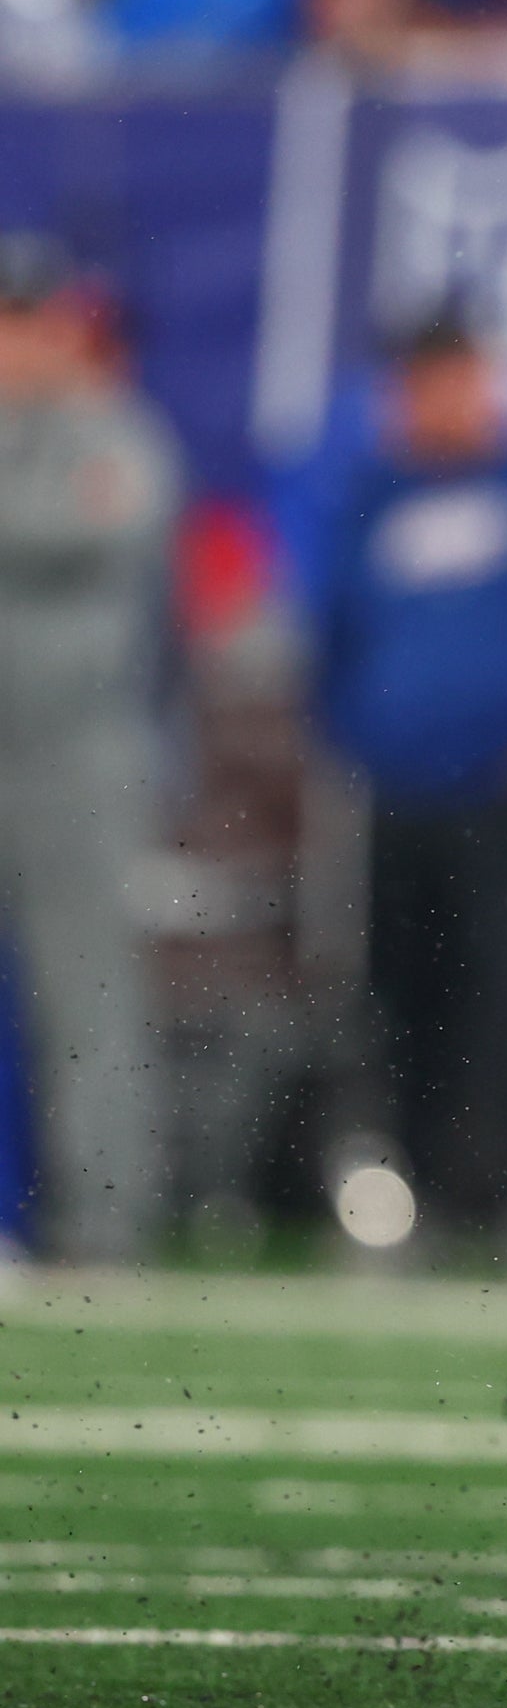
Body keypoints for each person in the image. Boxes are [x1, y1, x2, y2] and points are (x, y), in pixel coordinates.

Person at [314, 317, 507, 1237]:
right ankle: (424, 1190)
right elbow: (332, 632)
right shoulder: (373, 494)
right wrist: (355, 734)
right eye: (422, 384)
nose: (440, 402)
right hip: (406, 789)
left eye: (456, 379)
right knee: (408, 993)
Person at [0, 229, 176, 1261]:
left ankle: (107, 1223)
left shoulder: (117, 431)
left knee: (90, 995)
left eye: (33, 319)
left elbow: (106, 524)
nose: (20, 342)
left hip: (80, 753)